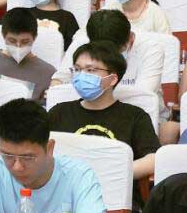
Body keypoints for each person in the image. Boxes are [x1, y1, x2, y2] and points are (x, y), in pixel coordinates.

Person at [48, 42, 160, 180]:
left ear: (112, 79)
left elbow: (153, 158)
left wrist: (111, 174)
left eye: (90, 70)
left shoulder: (135, 116)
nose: (81, 76)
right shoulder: (59, 112)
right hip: (67, 187)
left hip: (115, 187)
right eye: (77, 69)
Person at [0, 8, 57, 103]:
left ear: (34, 37)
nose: (18, 46)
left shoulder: (47, 72)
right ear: (3, 35)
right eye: (12, 41)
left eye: (25, 42)